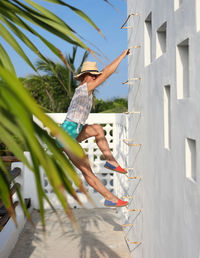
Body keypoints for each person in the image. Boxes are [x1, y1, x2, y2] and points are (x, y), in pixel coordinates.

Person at [59, 49, 130, 207]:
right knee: (87, 170)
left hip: (74, 130)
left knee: (97, 128)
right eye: (92, 74)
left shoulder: (86, 90)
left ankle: (110, 161)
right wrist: (122, 54)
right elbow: (106, 73)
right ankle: (110, 198)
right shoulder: (84, 88)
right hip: (66, 137)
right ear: (84, 77)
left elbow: (103, 74)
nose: (95, 77)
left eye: (95, 75)